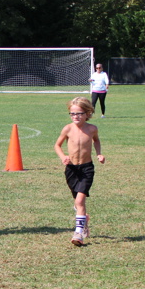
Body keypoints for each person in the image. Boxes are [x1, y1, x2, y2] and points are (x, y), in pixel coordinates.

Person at [55, 97, 105, 246]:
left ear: (87, 113)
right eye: (72, 113)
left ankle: (78, 234)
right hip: (71, 169)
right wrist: (63, 157)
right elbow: (57, 145)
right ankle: (84, 220)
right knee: (78, 203)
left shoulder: (92, 129)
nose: (75, 116)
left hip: (86, 169)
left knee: (80, 200)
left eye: (79, 113)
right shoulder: (67, 129)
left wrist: (99, 154)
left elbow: (96, 140)